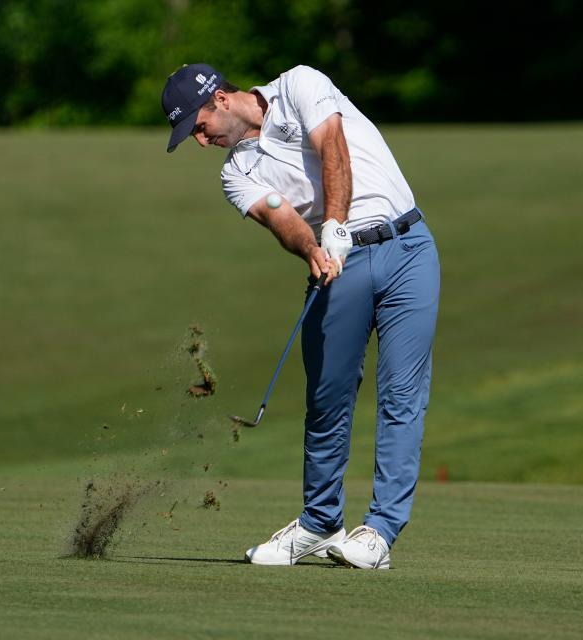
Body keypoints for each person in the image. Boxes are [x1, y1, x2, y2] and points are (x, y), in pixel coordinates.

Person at [161, 64, 440, 570]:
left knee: (402, 395)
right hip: (338, 265)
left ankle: (379, 533)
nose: (201, 142)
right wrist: (314, 247)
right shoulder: (235, 173)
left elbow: (332, 145)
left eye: (198, 127)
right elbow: (279, 217)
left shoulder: (298, 85)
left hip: (407, 248)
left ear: (220, 99)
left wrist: (334, 220)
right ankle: (319, 522)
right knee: (328, 397)